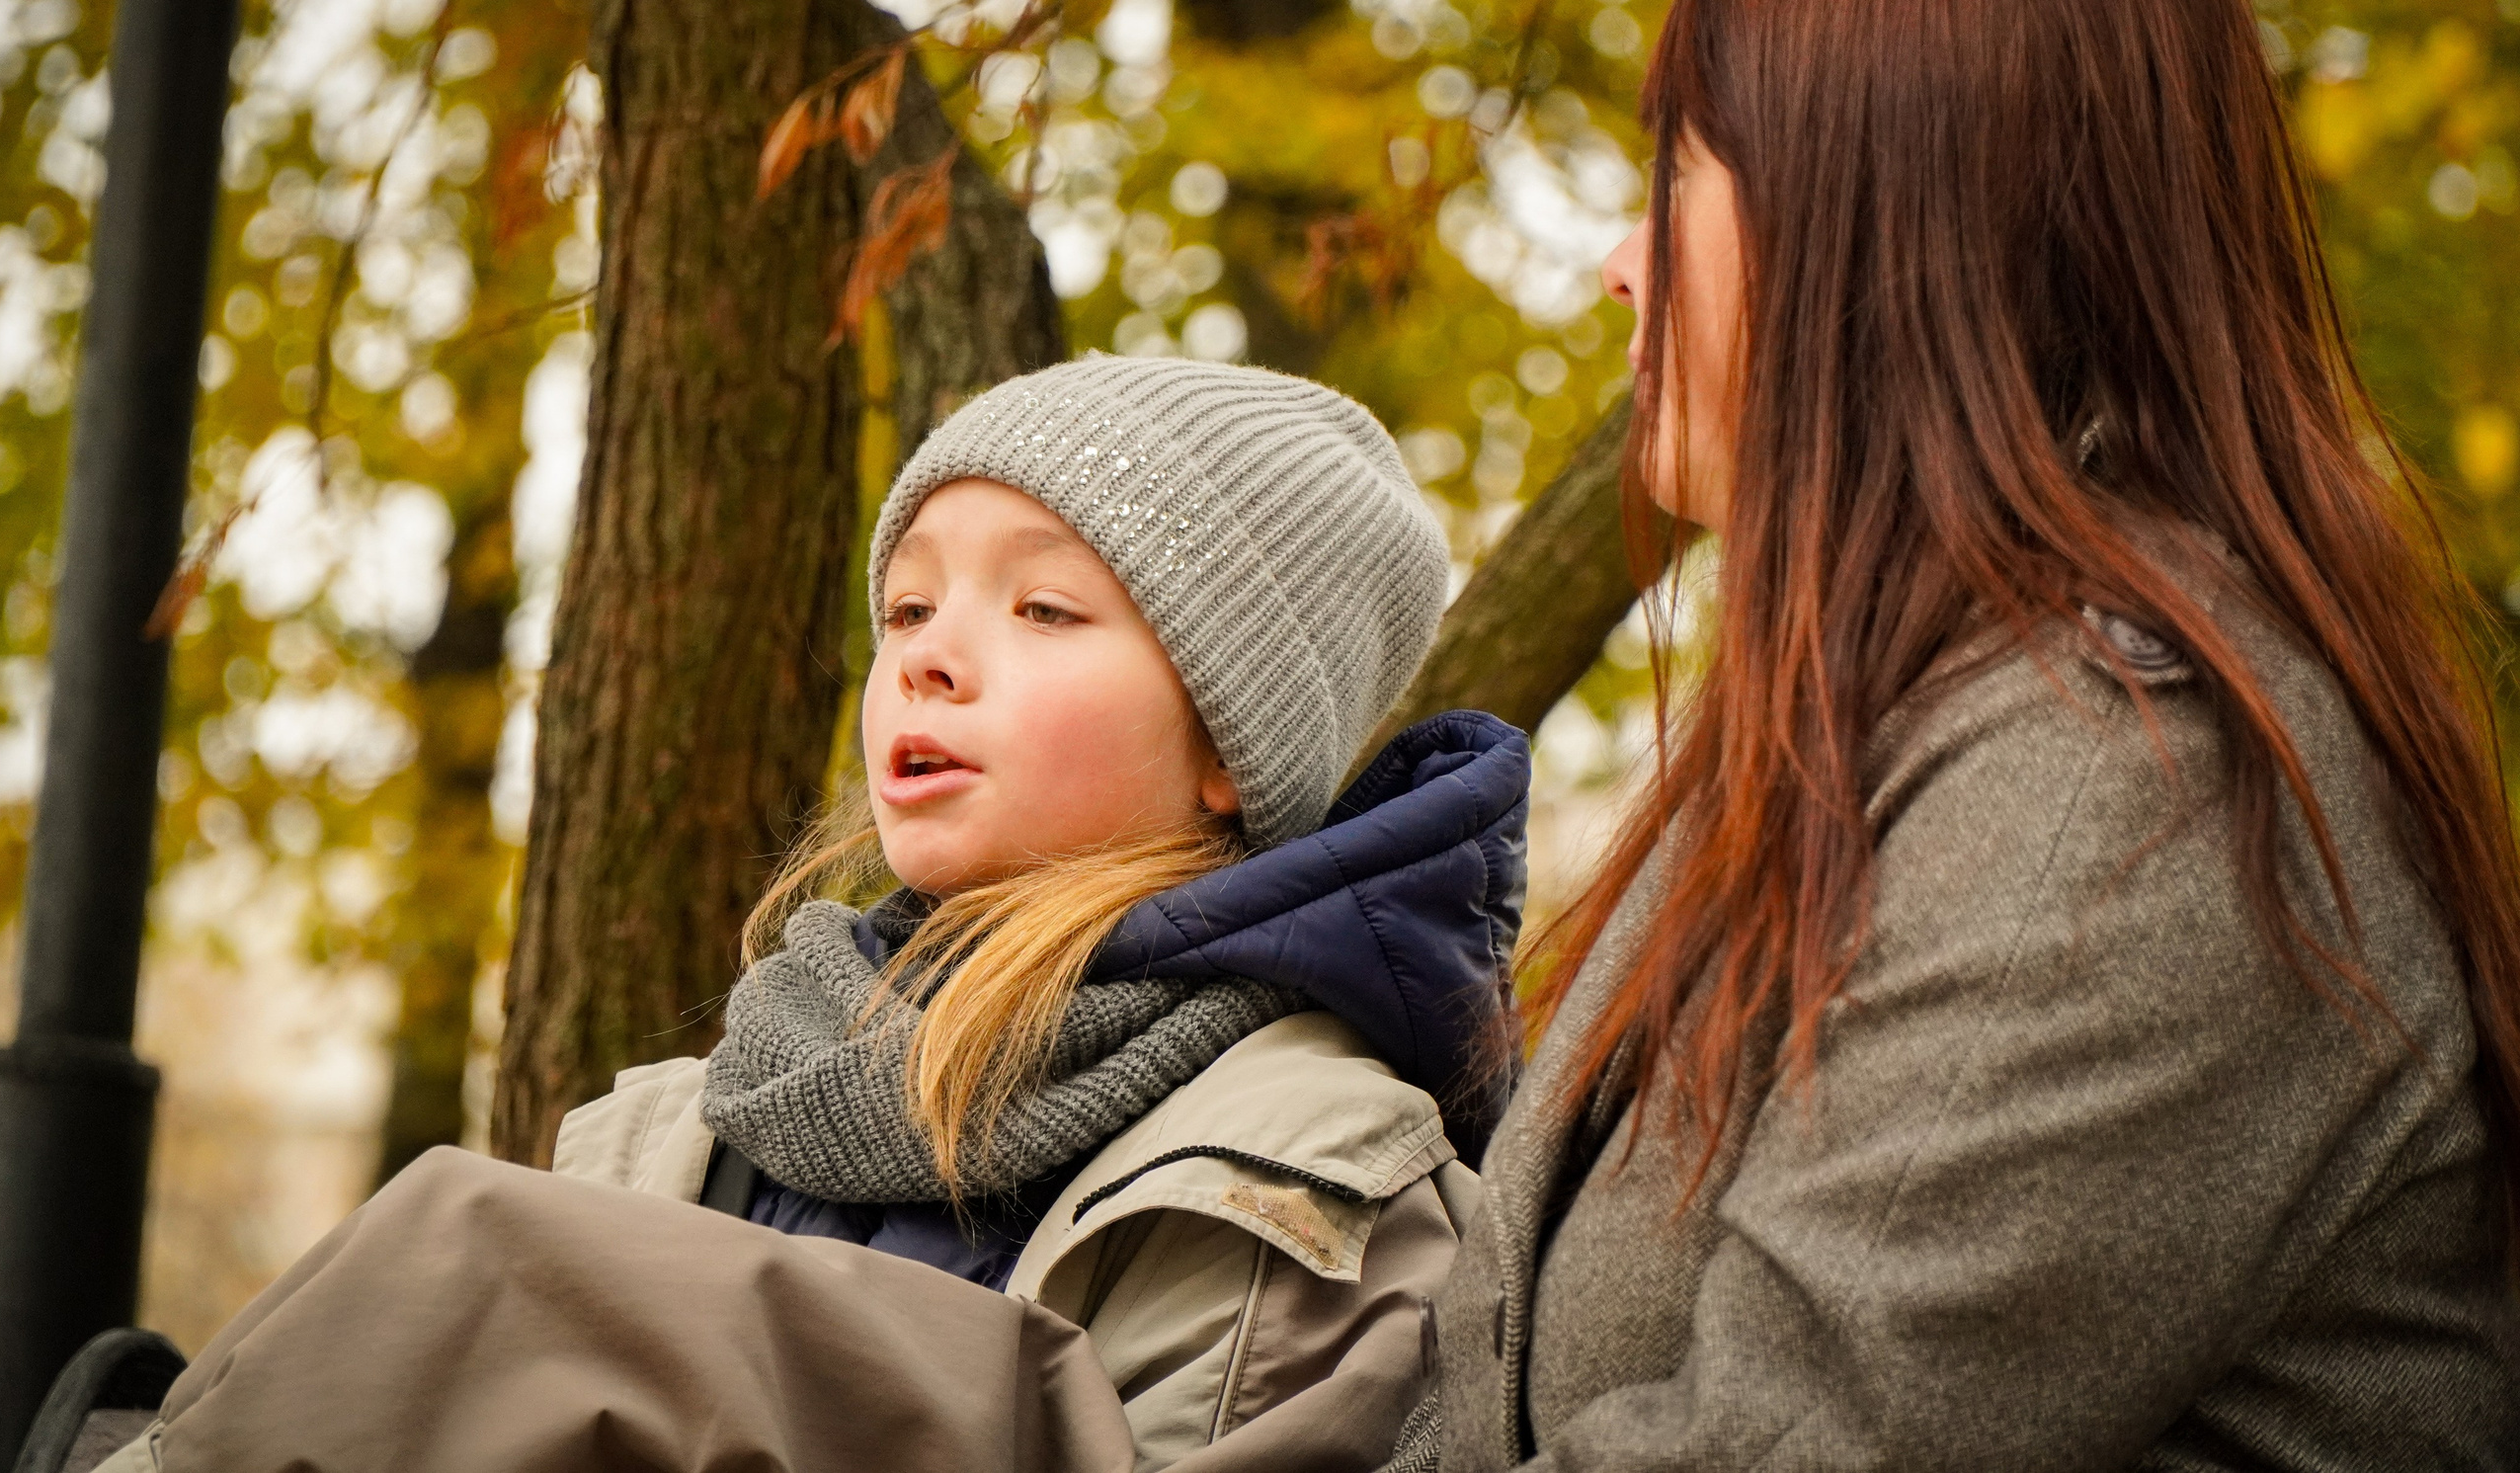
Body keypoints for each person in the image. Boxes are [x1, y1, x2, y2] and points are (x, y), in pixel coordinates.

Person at [1388, 0, 2520, 1473]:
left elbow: (1793, 1444)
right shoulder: (1877, 725)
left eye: (1673, 178)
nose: (1615, 267)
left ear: (1877, 227)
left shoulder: (2130, 776)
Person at [92, 356, 1529, 1473]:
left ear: (1233, 743)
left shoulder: (1316, 1180)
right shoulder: (703, 1113)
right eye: (906, 612)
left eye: (1043, 611)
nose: (931, 661)